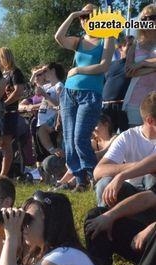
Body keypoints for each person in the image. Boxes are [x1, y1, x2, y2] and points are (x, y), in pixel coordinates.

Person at [55, 3, 115, 192]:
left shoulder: (108, 37)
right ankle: (80, 179)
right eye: (83, 18)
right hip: (69, 94)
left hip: (90, 95)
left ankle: (94, 176)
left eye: (90, 16)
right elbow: (58, 37)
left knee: (81, 138)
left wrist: (78, 69)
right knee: (69, 139)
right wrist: (73, 15)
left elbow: (104, 66)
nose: (86, 21)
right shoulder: (79, 41)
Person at [94, 92, 156, 207]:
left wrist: (125, 174)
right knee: (105, 183)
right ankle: (102, 219)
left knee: (151, 176)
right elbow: (98, 171)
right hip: (130, 189)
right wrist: (141, 167)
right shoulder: (128, 136)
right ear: (150, 121)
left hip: (152, 194)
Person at [0, 47, 26, 177]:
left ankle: (3, 174)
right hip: (0, 113)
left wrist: (4, 104)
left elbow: (18, 92)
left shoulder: (15, 72)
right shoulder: (3, 74)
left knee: (6, 144)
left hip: (10, 113)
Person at [123, 4, 156, 127]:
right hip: (136, 99)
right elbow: (128, 72)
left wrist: (142, 64)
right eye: (144, 19)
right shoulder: (134, 45)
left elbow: (134, 69)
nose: (148, 22)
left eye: (152, 17)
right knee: (136, 139)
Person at [102, 35, 133, 134]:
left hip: (124, 107)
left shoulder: (135, 65)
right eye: (130, 45)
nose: (133, 48)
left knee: (127, 137)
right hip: (106, 108)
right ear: (120, 47)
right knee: (107, 136)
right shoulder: (109, 65)